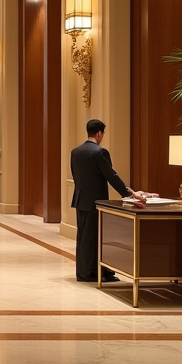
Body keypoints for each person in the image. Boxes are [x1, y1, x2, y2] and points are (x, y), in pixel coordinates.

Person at [70, 119, 144, 283]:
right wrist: (130, 194)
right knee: (95, 237)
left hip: (80, 199)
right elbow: (111, 176)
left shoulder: (76, 151)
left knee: (84, 237)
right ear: (99, 133)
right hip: (96, 202)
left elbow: (76, 175)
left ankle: (86, 271)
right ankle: (89, 273)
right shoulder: (99, 152)